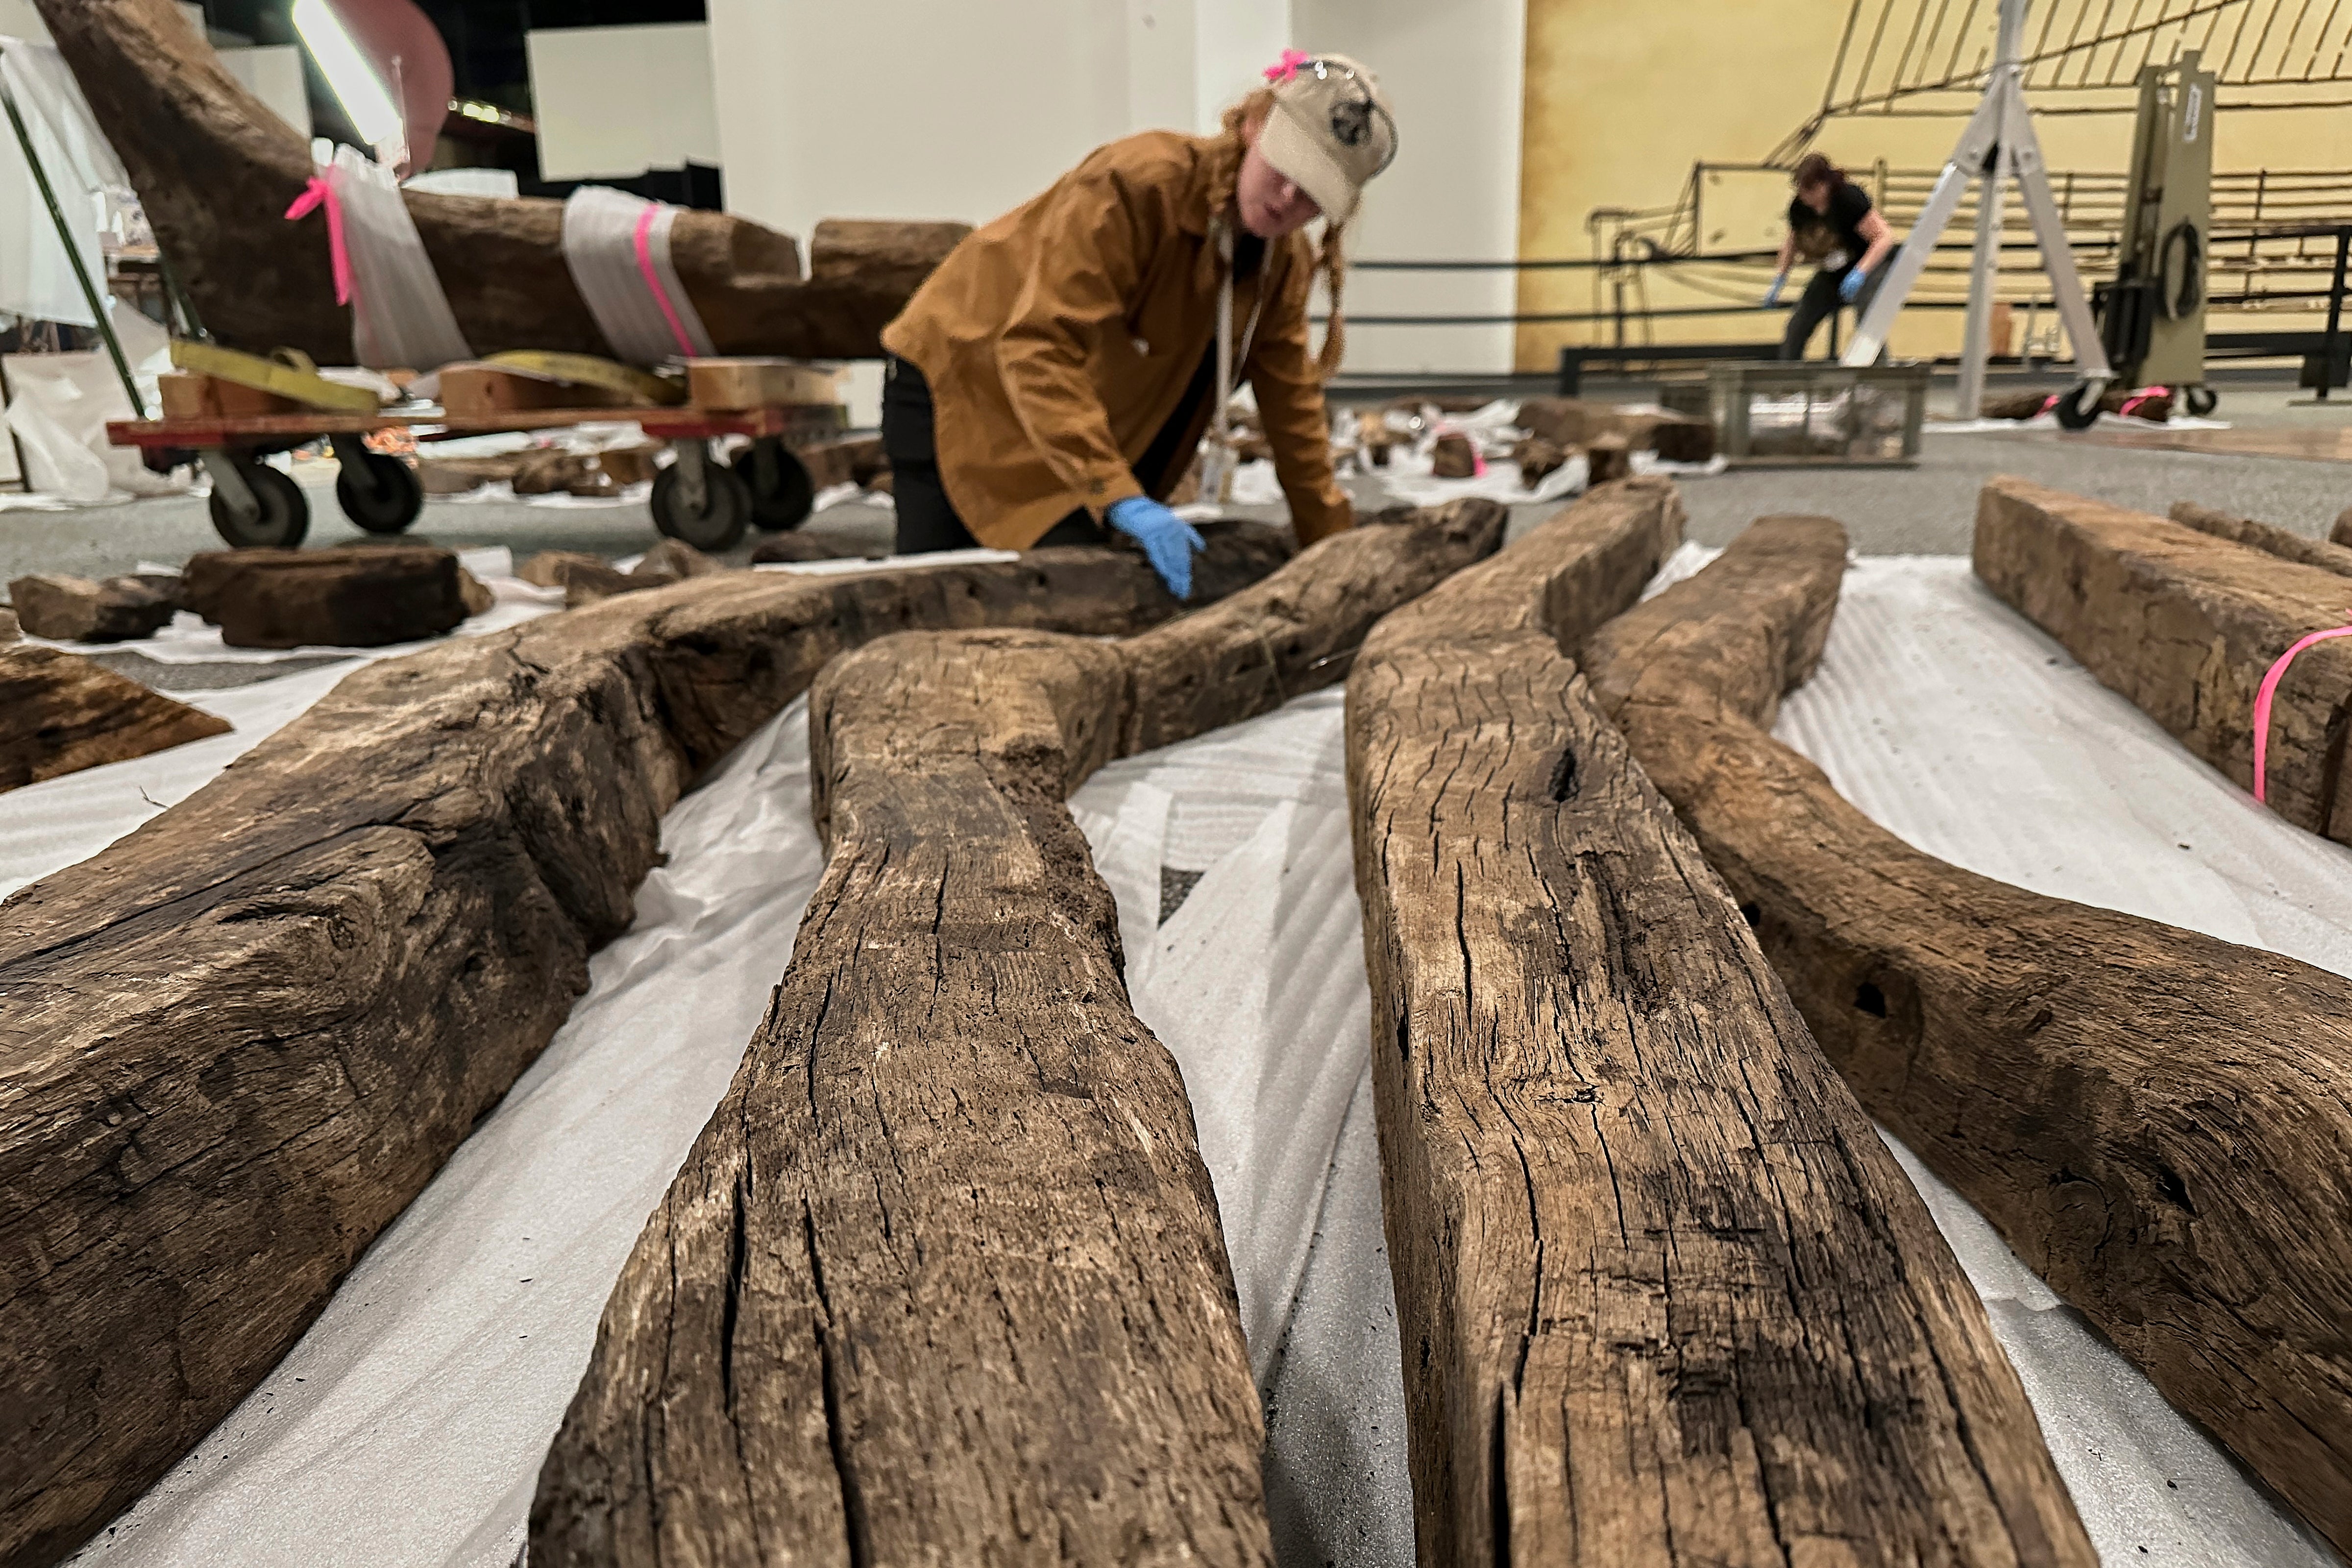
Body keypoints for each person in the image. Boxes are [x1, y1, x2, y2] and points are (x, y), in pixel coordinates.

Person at [879, 52, 1397, 599]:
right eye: (1284, 168)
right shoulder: (1137, 185)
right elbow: (1039, 344)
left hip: (1057, 416)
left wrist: (1332, 551)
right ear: (1253, 126)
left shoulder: (1281, 263)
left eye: (1314, 193)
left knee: (1082, 586)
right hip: (960, 374)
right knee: (939, 592)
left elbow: (1291, 405)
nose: (1289, 199)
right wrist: (1115, 493)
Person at [1764, 152, 1897, 361]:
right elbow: (1792, 242)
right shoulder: (1800, 209)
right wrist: (1779, 278)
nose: (1806, 197)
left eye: (1811, 190)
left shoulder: (1848, 200)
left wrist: (1860, 273)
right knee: (1798, 323)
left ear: (1824, 184)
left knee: (1867, 318)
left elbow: (1884, 237)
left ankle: (1881, 377)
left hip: (1869, 265)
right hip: (1834, 272)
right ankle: (1789, 383)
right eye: (1801, 191)